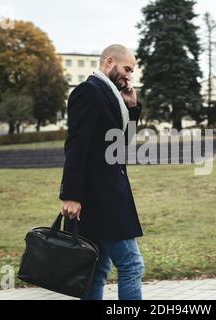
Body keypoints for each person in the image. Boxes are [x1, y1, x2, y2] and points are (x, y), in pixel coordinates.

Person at [59, 44, 144, 300]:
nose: (129, 76)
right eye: (127, 69)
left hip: (104, 197)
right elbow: (76, 145)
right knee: (131, 265)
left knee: (97, 269)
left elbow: (120, 145)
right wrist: (71, 195)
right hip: (101, 199)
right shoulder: (89, 92)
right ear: (109, 62)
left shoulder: (110, 95)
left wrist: (131, 108)